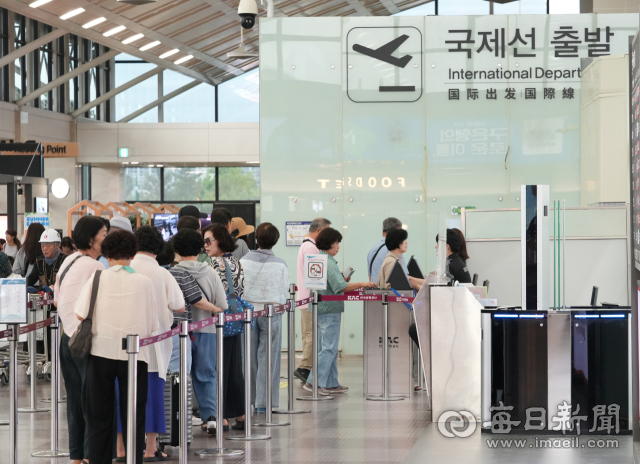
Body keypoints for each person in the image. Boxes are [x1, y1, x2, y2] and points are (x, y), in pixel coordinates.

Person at [75, 230, 158, 464]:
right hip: (135, 355)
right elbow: (152, 325)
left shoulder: (97, 278)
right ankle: (134, 460)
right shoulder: (145, 282)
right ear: (132, 254)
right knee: (134, 414)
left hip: (101, 352)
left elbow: (80, 313)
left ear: (106, 254)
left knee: (99, 415)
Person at [115, 225, 184, 461]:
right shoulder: (163, 274)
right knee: (153, 395)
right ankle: (150, 448)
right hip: (155, 345)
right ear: (159, 247)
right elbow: (180, 306)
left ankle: (121, 448)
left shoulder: (126, 268)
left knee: (123, 395)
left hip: (125, 345)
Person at [54, 216, 107, 464]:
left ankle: (77, 456)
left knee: (75, 402)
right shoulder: (95, 267)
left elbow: (57, 299)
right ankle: (89, 456)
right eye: (104, 234)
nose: (106, 238)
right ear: (91, 239)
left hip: (68, 339)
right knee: (92, 402)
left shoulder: (68, 261)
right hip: (86, 342)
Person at [305, 228, 376, 395]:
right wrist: (362, 284)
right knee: (329, 348)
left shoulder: (319, 259)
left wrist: (342, 278)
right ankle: (313, 382)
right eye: (336, 243)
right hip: (329, 310)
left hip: (319, 309)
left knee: (326, 348)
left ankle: (330, 382)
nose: (338, 246)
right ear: (329, 243)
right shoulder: (328, 262)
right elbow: (340, 287)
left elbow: (331, 283)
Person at [172, 228, 227, 434]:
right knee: (206, 374)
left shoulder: (172, 272)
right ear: (200, 248)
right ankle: (210, 417)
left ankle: (180, 417)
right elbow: (222, 303)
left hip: (178, 332)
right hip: (208, 330)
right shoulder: (210, 272)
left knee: (180, 374)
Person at [240, 223, 289, 415]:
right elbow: (283, 290)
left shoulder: (244, 261)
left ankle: (249, 400)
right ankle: (264, 402)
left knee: (249, 358)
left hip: (248, 313)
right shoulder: (280, 263)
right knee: (269, 358)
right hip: (271, 312)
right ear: (275, 241)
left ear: (256, 239)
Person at [203, 224, 246, 430]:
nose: (206, 245)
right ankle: (241, 414)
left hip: (217, 320)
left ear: (219, 240)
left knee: (218, 368)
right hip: (234, 319)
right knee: (234, 367)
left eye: (209, 240)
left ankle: (222, 416)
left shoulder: (212, 264)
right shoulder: (236, 261)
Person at [163, 236, 222, 374]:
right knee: (198, 374)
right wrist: (215, 309)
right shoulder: (182, 274)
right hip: (194, 330)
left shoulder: (167, 273)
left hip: (164, 330)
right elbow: (197, 299)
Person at [294, 217, 331, 383]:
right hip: (310, 298)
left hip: (303, 297)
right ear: (319, 231)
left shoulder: (305, 245)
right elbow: (316, 275)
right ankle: (304, 368)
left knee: (307, 333)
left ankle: (306, 367)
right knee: (311, 334)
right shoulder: (312, 248)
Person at [367, 217, 406, 283]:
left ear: (383, 232)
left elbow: (370, 276)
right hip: (392, 292)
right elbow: (405, 278)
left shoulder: (372, 250)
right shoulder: (394, 249)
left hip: (375, 291)